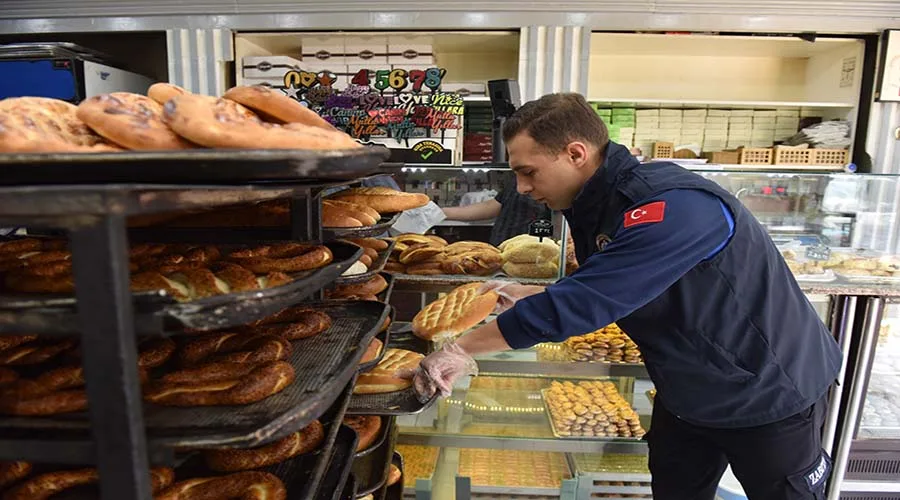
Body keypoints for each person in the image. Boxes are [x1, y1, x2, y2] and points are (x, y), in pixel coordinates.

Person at [407, 93, 841, 500]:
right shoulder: (597, 202)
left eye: (528, 172)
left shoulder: (672, 206)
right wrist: (534, 293)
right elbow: (617, 280)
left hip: (768, 388)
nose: (520, 188)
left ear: (575, 154)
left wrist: (461, 349)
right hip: (686, 387)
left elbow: (586, 303)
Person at [441, 174, 547, 246]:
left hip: (532, 254)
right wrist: (442, 212)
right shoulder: (519, 178)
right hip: (501, 249)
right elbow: (493, 206)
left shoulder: (549, 179)